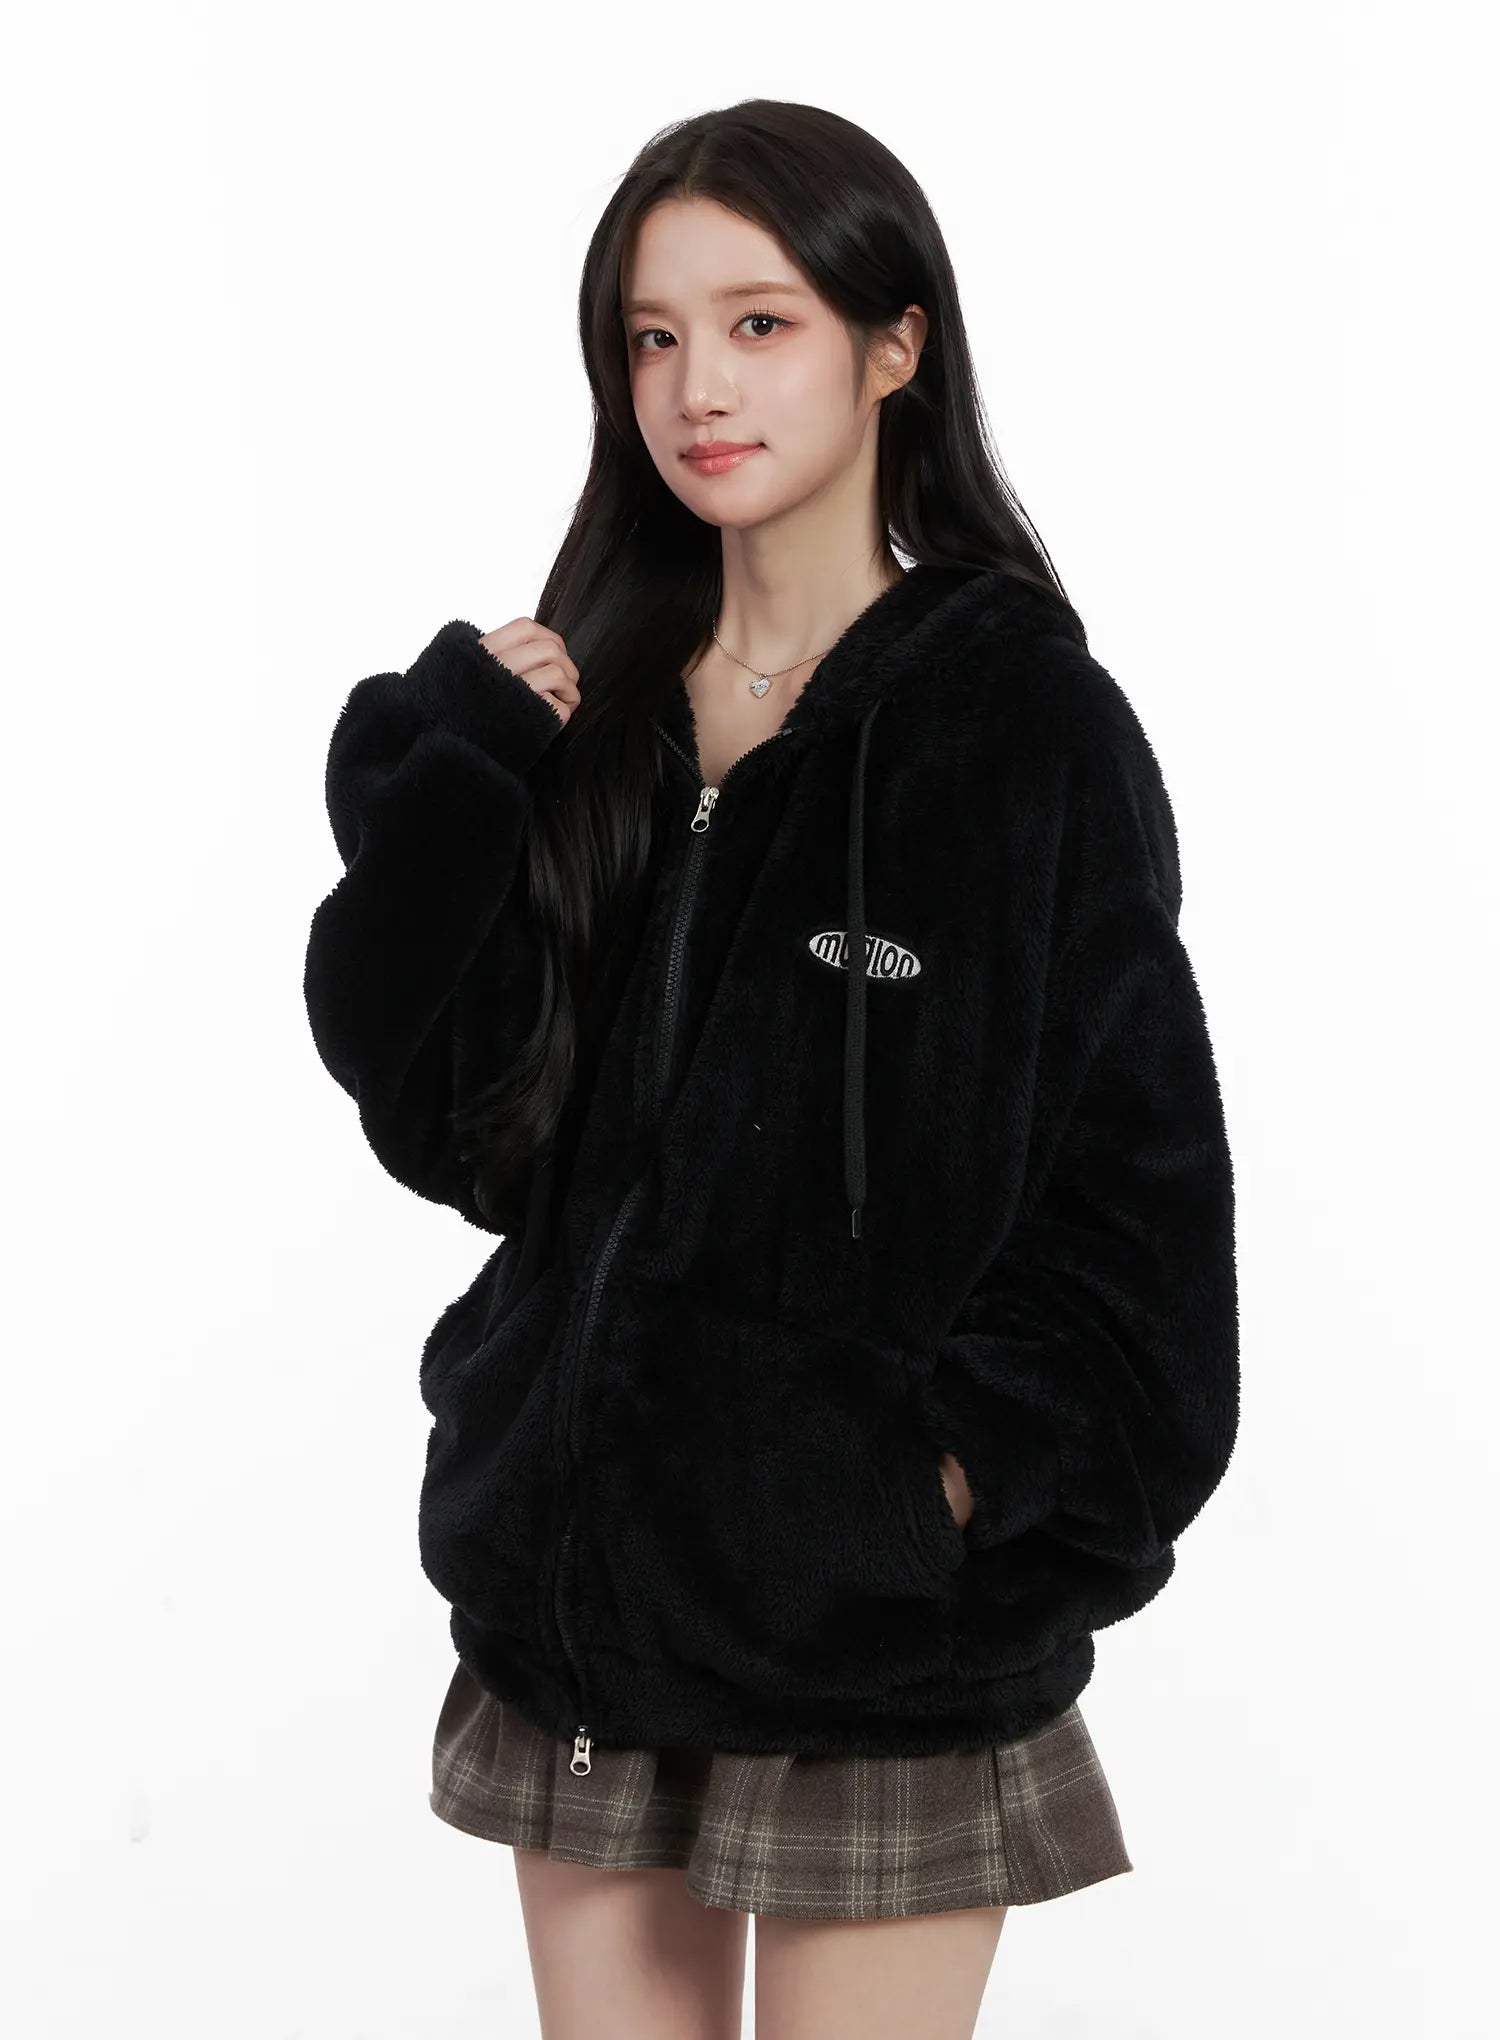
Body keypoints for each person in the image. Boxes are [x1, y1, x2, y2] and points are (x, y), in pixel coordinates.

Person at [304, 97, 1239, 2040]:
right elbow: (455, 1127)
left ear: (895, 345)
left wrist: (938, 1491)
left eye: (759, 323)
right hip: (583, 1609)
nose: (697, 388)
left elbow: (1142, 1231)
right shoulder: (593, 714)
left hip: (873, 1648)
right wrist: (452, 781)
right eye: (652, 337)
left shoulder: (1019, 732)